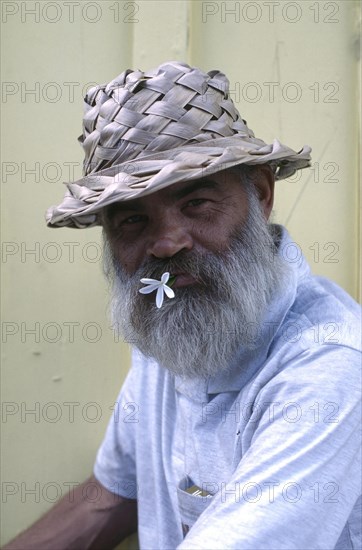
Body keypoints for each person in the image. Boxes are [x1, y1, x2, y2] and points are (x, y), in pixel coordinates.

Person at [4, 61, 361, 550]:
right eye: (132, 220)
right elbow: (111, 497)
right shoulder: (172, 322)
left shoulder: (330, 366)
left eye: (196, 204)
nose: (166, 244)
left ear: (258, 195)